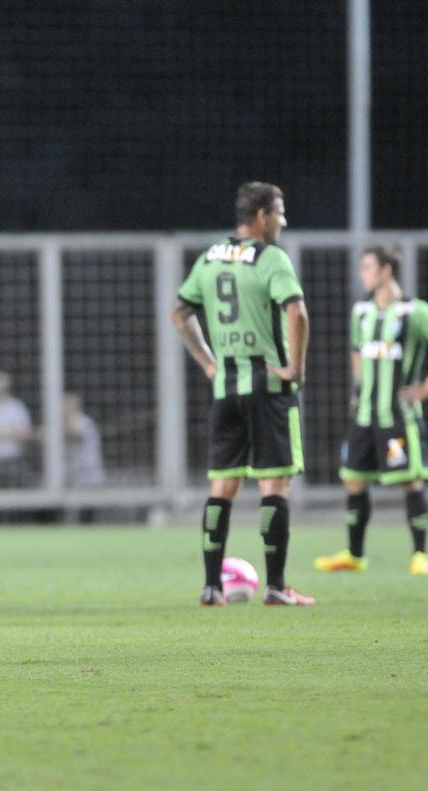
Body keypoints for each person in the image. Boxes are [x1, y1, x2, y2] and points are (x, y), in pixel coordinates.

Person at [171, 182, 314, 607]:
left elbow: (179, 311)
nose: (284, 221)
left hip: (225, 389)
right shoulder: (271, 258)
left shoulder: (210, 258)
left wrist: (208, 362)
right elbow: (297, 312)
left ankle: (211, 587)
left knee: (222, 487)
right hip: (268, 387)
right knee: (275, 485)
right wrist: (296, 369)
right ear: (262, 216)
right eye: (280, 212)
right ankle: (277, 586)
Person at [314, 247, 428, 575]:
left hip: (398, 416)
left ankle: (420, 554)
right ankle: (355, 554)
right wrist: (358, 389)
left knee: (411, 480)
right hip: (365, 415)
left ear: (386, 270)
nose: (362, 274)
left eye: (367, 267)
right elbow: (356, 351)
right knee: (353, 479)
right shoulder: (361, 312)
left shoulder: (414, 311)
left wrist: (422, 390)